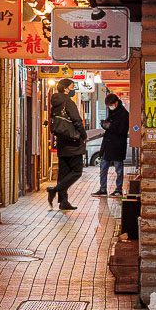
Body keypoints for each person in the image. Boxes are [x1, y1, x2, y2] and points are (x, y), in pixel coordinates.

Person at [46, 78, 86, 211]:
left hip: (61, 141)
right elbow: (77, 120)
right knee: (77, 171)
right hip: (73, 142)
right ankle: (55, 190)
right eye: (72, 87)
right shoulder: (68, 102)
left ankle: (63, 202)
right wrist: (83, 135)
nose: (73, 90)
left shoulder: (55, 102)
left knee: (63, 172)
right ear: (65, 88)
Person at [93, 93, 129, 198]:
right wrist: (105, 124)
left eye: (111, 104)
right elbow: (110, 126)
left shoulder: (124, 114)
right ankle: (103, 189)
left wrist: (109, 126)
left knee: (118, 169)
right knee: (103, 167)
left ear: (116, 103)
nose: (110, 107)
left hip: (118, 145)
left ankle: (118, 190)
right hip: (108, 144)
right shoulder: (111, 112)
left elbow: (122, 130)